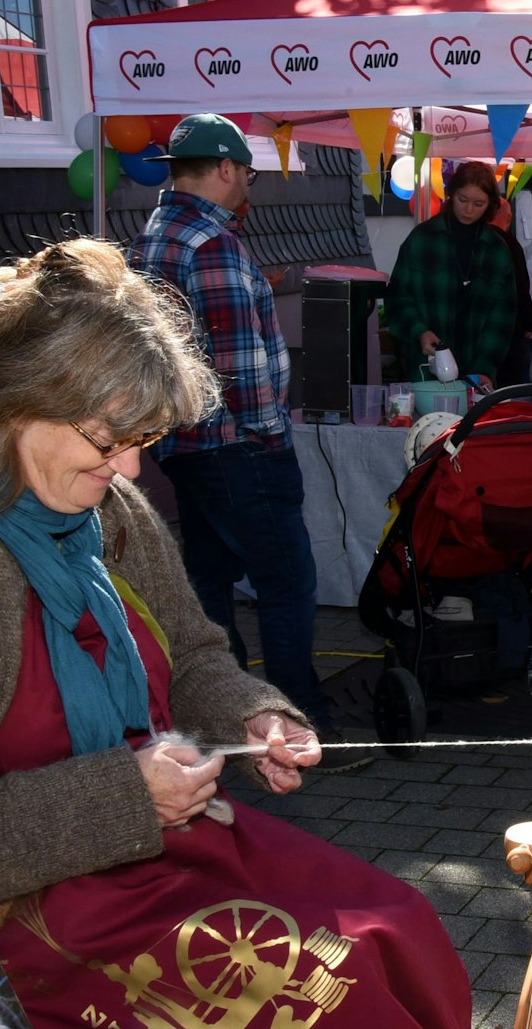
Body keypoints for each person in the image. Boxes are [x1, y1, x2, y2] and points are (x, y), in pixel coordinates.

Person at [0, 240, 471, 1028]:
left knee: (394, 925)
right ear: (15, 406)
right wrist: (124, 795)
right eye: (111, 441)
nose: (132, 472)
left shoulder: (109, 512)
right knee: (336, 1011)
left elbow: (195, 653)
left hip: (145, 857)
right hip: (6, 918)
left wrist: (252, 715)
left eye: (143, 441)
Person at [129, 114, 366, 768]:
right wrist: (270, 443)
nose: (247, 186)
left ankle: (227, 717)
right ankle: (298, 727)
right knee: (287, 582)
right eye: (248, 172)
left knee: (209, 582)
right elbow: (240, 368)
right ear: (228, 168)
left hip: (184, 445)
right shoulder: (211, 245)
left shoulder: (154, 236)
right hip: (238, 446)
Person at [386, 161, 532, 386]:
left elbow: (502, 316)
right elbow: (398, 297)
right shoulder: (421, 239)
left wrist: (486, 367)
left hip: (477, 369)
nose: (468, 210)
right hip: (427, 366)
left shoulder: (497, 249)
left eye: (478, 204)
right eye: (462, 200)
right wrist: (419, 331)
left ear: (490, 205)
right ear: (451, 194)